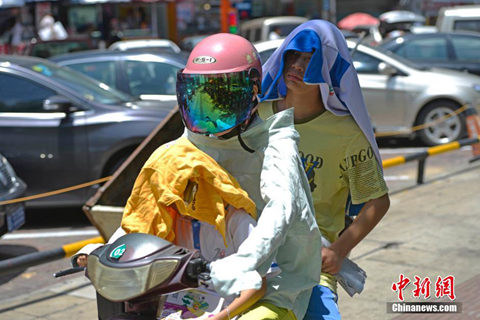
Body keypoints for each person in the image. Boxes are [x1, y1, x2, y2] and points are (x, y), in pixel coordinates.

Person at [74, 33, 322, 320]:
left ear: (253, 90)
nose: (211, 114)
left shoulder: (276, 144)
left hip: (278, 281)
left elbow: (281, 210)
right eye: (201, 98)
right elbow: (144, 217)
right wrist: (107, 252)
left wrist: (244, 262)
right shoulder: (181, 148)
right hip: (198, 286)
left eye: (222, 98)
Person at [258, 20, 390, 319]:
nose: (298, 66)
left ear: (328, 68)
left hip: (310, 264)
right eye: (294, 55)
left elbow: (377, 200)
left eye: (310, 60)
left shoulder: (347, 135)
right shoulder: (257, 117)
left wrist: (338, 250)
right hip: (252, 253)